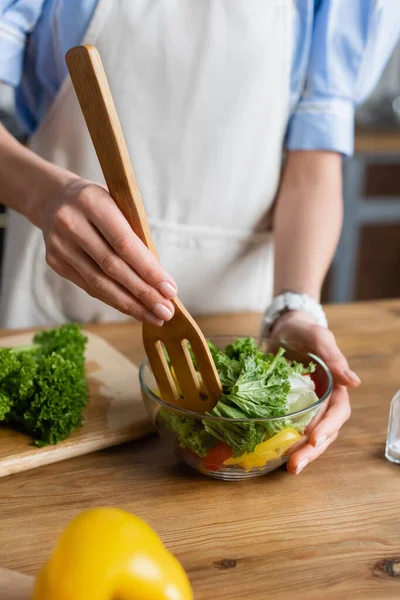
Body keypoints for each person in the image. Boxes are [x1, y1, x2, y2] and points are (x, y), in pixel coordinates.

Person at [0, 0, 399, 474]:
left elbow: (313, 163)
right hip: (60, 274)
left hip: (240, 293)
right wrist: (46, 196)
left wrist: (295, 308)